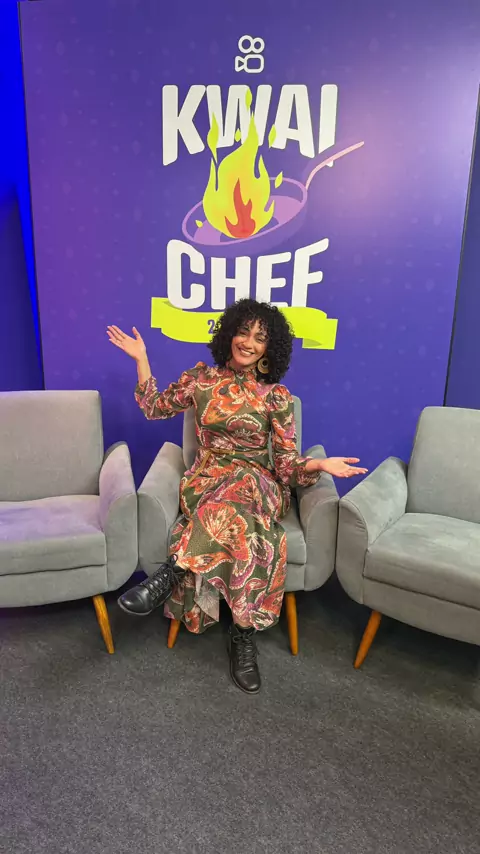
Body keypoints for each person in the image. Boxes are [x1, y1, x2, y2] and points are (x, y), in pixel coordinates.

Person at [107, 299, 366, 694]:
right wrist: (141, 359)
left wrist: (318, 465)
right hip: (208, 479)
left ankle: (172, 573)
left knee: (242, 492)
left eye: (260, 338)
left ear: (269, 348)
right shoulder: (201, 380)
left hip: (260, 482)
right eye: (243, 332)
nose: (248, 342)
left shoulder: (276, 397)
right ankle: (243, 637)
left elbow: (286, 466)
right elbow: (155, 408)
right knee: (251, 527)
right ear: (229, 334)